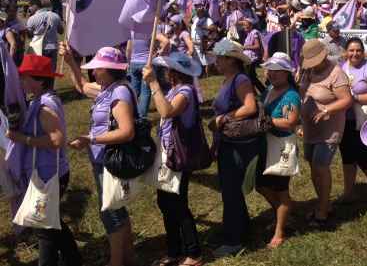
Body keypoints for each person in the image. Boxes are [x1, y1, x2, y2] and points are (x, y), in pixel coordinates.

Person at [59, 44, 136, 266]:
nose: (93, 71)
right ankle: (128, 256)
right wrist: (71, 61)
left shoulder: (119, 92)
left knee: (110, 212)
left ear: (109, 69)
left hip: (109, 160)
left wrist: (91, 139)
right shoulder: (106, 89)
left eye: (97, 68)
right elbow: (81, 86)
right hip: (103, 159)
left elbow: (126, 131)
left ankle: (116, 261)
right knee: (116, 207)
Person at [6, 54, 82, 266]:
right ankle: (73, 259)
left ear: (39, 79)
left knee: (44, 228)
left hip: (49, 174)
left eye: (25, 77)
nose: (21, 81)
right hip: (48, 172)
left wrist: (21, 138)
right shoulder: (40, 100)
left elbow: (57, 140)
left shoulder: (44, 106)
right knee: (51, 222)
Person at [143, 52, 204, 266]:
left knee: (177, 203)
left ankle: (193, 253)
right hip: (168, 152)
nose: (165, 73)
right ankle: (174, 249)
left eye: (168, 70)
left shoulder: (185, 91)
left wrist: (152, 84)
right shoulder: (176, 90)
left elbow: (167, 111)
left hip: (178, 154)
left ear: (176, 72)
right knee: (165, 201)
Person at [208, 38, 260, 258]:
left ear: (231, 60)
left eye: (220, 58)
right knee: (230, 190)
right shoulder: (229, 79)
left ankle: (234, 240)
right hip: (228, 141)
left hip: (239, 143)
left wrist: (224, 118)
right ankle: (240, 229)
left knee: (231, 191)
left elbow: (250, 107)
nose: (216, 61)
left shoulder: (240, 79)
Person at [299, 39, 352, 227]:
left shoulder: (336, 73)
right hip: (310, 128)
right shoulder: (308, 71)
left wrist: (327, 110)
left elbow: (347, 100)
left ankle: (322, 211)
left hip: (329, 128)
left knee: (321, 166)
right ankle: (324, 202)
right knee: (313, 166)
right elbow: (303, 94)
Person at [256, 53, 300, 248]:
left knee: (280, 189)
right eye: (270, 70)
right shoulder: (269, 90)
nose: (272, 74)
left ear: (286, 73)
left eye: (277, 71)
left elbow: (291, 122)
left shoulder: (291, 95)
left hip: (282, 146)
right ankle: (284, 210)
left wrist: (268, 121)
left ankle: (280, 231)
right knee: (261, 185)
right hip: (267, 144)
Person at [338, 37, 367, 206]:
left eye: (358, 50)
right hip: (345, 119)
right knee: (347, 157)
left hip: (363, 120)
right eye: (351, 50)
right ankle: (348, 193)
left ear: (363, 52)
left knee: (363, 157)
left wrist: (354, 97)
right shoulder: (342, 67)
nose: (354, 53)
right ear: (346, 52)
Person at [26, 0, 64, 70]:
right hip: (52, 47)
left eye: (30, 6)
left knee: (39, 72)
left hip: (38, 48)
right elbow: (61, 31)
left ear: (35, 6)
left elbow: (29, 35)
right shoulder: (55, 15)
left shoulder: (32, 18)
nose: (29, 8)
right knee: (51, 72)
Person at [126, 30, 152, 120]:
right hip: (146, 63)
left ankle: (129, 112)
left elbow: (128, 49)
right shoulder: (150, 31)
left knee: (134, 91)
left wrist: (128, 63)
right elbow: (153, 47)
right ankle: (142, 118)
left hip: (133, 63)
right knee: (145, 91)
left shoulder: (132, 31)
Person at [240, 18, 266, 94]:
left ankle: (263, 91)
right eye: (244, 26)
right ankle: (255, 93)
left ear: (251, 26)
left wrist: (245, 47)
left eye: (246, 26)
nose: (244, 27)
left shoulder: (254, 33)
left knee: (251, 77)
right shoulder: (248, 34)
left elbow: (257, 46)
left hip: (252, 58)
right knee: (250, 77)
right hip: (248, 58)